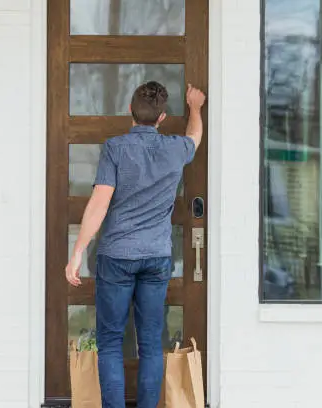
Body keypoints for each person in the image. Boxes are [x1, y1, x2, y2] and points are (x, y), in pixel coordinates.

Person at [65, 81, 206, 408]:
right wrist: (196, 108)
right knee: (151, 344)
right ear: (162, 117)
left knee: (111, 342)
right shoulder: (175, 148)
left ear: (130, 111)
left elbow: (99, 204)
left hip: (116, 255)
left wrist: (76, 253)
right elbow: (195, 138)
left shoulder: (115, 148)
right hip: (156, 256)